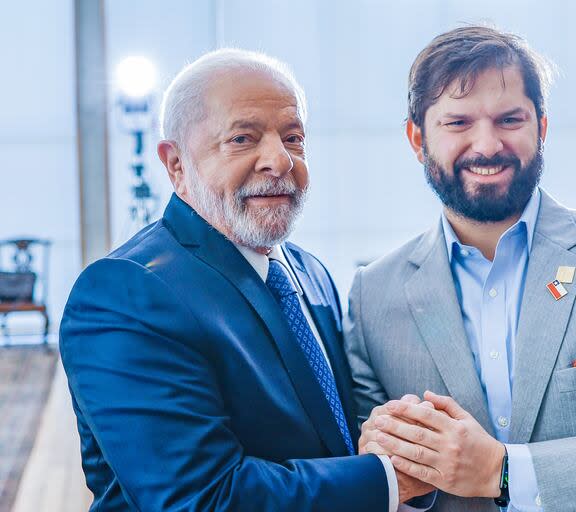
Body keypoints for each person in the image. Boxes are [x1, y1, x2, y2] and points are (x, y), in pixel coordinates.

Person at [344, 26, 576, 511]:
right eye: (457, 123)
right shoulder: (372, 296)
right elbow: (379, 481)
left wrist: (500, 471)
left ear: (541, 127)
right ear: (418, 139)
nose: (486, 145)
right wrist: (395, 472)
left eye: (509, 119)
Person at [60, 49, 418, 511]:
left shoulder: (309, 273)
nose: (280, 160)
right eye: (243, 139)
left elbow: (336, 438)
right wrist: (390, 481)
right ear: (175, 165)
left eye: (293, 138)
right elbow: (201, 498)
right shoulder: (123, 294)